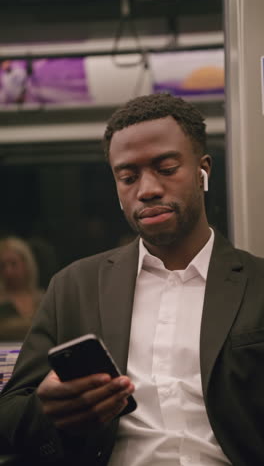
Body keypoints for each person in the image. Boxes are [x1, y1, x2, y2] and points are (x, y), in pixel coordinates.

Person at [0, 93, 263, 466]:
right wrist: (50, 410)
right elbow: (9, 416)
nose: (147, 189)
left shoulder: (258, 284)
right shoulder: (75, 286)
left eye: (167, 168)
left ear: (203, 170)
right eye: (128, 177)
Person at [0, 236, 44, 341]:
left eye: (13, 264)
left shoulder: (43, 298)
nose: (8, 271)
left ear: (27, 264)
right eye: (2, 266)